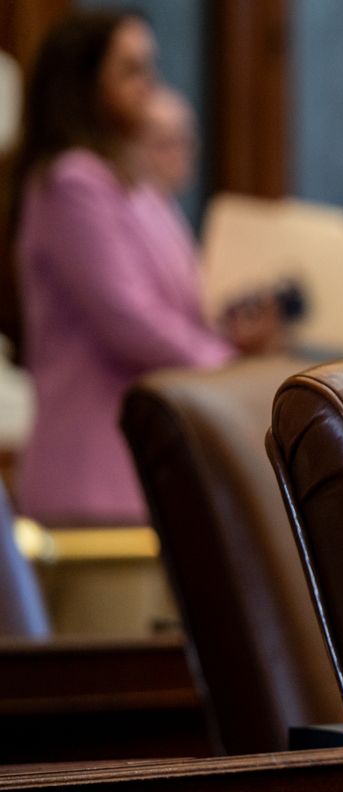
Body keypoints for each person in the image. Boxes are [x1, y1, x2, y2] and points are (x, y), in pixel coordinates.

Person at [7, 10, 280, 524]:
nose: (149, 84)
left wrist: (231, 333)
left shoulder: (141, 190)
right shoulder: (72, 183)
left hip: (153, 466)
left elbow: (177, 311)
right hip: (92, 472)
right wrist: (227, 361)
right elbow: (129, 321)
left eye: (149, 67)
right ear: (85, 86)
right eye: (130, 70)